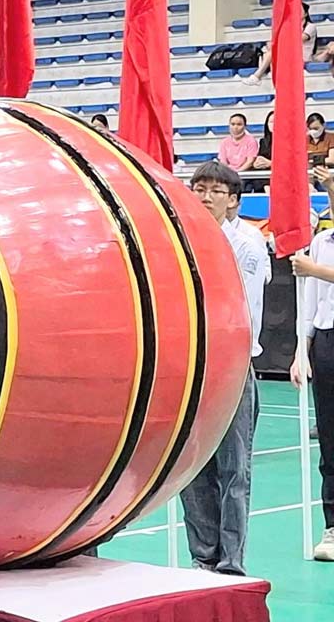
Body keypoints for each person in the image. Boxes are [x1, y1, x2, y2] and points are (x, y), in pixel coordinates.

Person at [180, 161, 267, 576]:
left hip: (232, 368)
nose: (205, 196)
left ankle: (231, 563)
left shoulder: (248, 244)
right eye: (199, 188)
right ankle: (203, 556)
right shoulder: (179, 239)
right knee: (191, 467)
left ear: (233, 200)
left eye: (216, 190)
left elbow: (240, 310)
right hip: (194, 368)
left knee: (234, 469)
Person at [289, 163, 334, 561]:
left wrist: (313, 269)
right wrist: (301, 350)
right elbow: (312, 301)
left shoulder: (316, 257)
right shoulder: (322, 239)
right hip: (327, 341)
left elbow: (318, 276)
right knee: (331, 439)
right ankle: (333, 526)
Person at [244, 2, 318, 85]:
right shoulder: (290, 26)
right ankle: (269, 82)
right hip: (290, 55)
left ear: (306, 14)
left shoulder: (310, 26)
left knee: (272, 53)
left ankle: (257, 76)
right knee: (267, 53)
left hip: (302, 56)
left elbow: (298, 40)